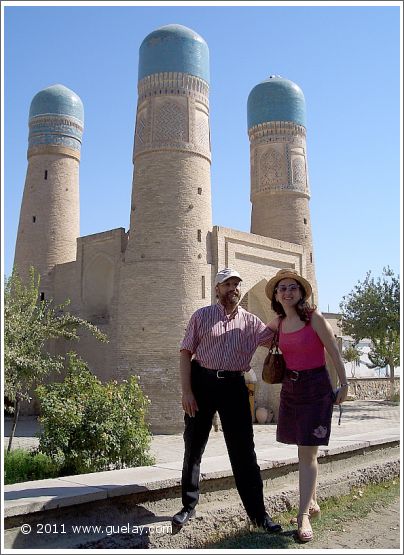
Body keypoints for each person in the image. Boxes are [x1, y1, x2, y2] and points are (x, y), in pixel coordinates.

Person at [172, 268, 282, 534]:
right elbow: (186, 353)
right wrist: (187, 392)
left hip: (234, 385)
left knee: (244, 452)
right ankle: (188, 505)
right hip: (202, 382)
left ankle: (258, 515)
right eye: (227, 283)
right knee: (194, 446)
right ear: (217, 288)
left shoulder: (252, 323)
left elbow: (279, 339)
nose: (233, 288)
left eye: (236, 283)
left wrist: (289, 311)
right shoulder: (202, 316)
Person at [265, 269, 348, 542]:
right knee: (304, 448)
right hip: (291, 388)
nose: (287, 292)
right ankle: (311, 503)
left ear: (301, 293)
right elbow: (253, 337)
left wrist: (344, 385)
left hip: (316, 388)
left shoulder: (315, 319)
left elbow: (333, 352)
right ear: (277, 296)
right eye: (282, 289)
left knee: (307, 453)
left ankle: (302, 517)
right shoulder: (278, 323)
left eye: (292, 288)